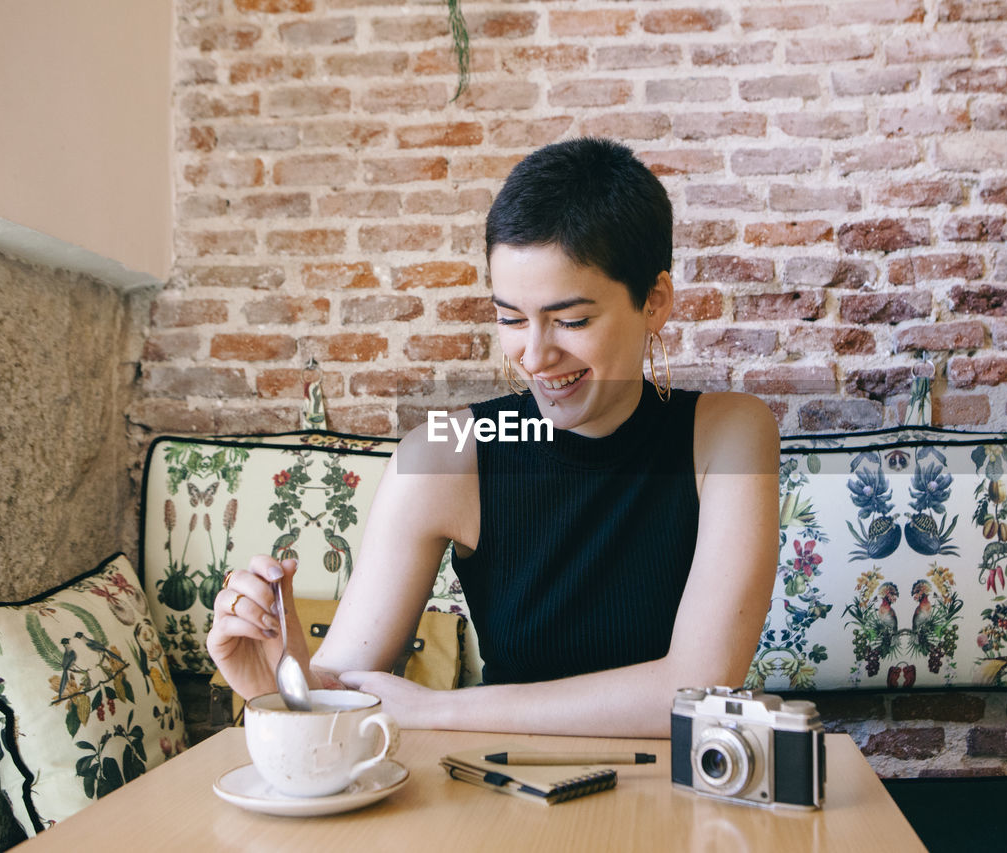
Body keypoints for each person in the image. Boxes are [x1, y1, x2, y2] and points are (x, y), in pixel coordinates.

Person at [207, 138, 779, 738]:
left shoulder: (727, 435)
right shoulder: (445, 455)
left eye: (572, 320)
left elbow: (697, 689)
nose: (534, 355)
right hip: (497, 793)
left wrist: (438, 709)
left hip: (675, 799)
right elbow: (343, 692)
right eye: (510, 318)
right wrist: (279, 679)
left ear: (654, 301)